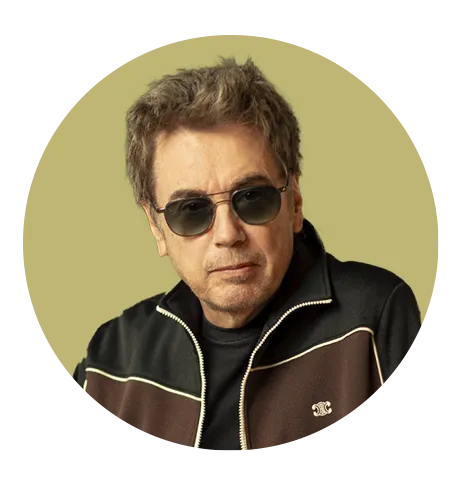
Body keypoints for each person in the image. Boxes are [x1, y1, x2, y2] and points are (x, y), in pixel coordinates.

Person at [72, 57, 422, 450]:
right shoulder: (109, 362)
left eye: (252, 198)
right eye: (192, 210)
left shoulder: (373, 320)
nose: (228, 234)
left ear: (294, 202)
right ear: (156, 226)